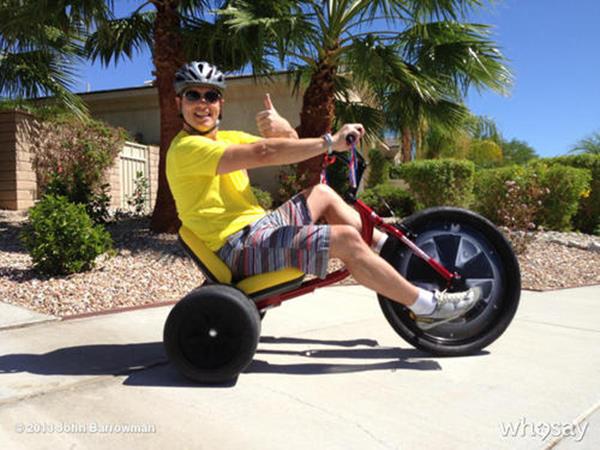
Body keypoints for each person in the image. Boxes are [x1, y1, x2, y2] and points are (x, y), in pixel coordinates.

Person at [166, 61, 481, 329]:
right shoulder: (186, 149)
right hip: (238, 248)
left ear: (220, 103)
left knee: (322, 193)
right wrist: (330, 142)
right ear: (179, 103)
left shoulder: (228, 138)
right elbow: (265, 152)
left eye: (210, 95)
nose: (202, 103)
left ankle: (391, 251)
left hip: (259, 229)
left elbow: (287, 146)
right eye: (193, 95)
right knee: (346, 239)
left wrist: (283, 129)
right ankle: (426, 307)